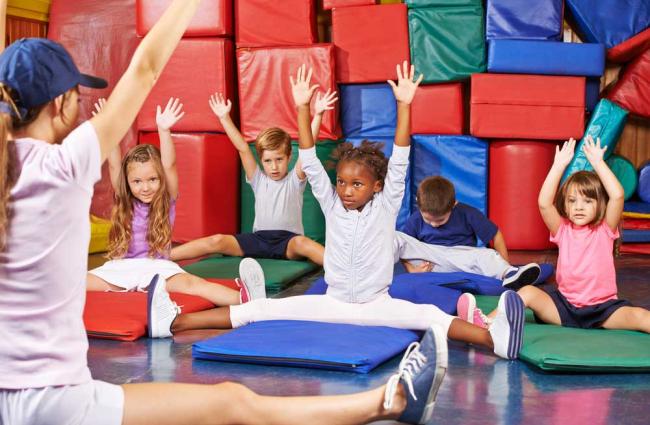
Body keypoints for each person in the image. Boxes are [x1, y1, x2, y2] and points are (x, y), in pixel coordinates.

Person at [0, 2, 450, 425]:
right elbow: (145, 67)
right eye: (75, 96)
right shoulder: (63, 166)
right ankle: (388, 400)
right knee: (233, 402)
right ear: (61, 104)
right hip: (54, 398)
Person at [161, 64, 526, 367]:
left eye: (357, 185)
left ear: (377, 187)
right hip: (331, 303)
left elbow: (399, 158)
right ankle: (175, 321)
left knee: (431, 317)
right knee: (258, 309)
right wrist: (302, 108)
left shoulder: (386, 207)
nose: (347, 190)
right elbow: (308, 159)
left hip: (377, 306)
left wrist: (404, 106)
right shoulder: (333, 205)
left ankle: (494, 339)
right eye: (342, 183)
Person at [86, 98, 265, 337]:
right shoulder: (124, 200)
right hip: (120, 269)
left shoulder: (165, 199)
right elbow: (115, 165)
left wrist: (164, 130)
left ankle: (249, 298)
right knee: (77, 285)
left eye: (152, 179)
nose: (145, 187)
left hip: (159, 268)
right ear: (128, 184)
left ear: (160, 180)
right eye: (137, 181)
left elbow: (169, 165)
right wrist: (110, 125)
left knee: (195, 285)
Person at [458, 137, 650, 333]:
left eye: (587, 201)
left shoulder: (605, 229)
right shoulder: (562, 229)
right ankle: (484, 324)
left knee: (641, 316)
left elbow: (617, 195)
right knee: (527, 293)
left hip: (603, 311)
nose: (578, 207)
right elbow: (544, 203)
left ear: (599, 204)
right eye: (572, 201)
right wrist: (558, 166)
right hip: (564, 309)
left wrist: (598, 163)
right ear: (565, 205)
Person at [169, 89, 338, 266]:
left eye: (279, 160)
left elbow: (307, 148)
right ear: (261, 160)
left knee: (304, 243)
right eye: (268, 161)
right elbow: (242, 147)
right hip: (258, 240)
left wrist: (318, 114)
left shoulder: (294, 180)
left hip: (288, 242)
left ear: (289, 157)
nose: (274, 166)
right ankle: (162, 257)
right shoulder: (258, 180)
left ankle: (341, 268)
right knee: (217, 241)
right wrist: (224, 118)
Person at [395, 176, 541, 290]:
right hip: (432, 261)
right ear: (418, 203)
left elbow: (495, 235)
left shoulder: (467, 213)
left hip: (462, 257)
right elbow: (406, 248)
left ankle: (509, 273)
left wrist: (505, 262)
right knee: (397, 237)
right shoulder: (415, 219)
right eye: (428, 219)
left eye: (440, 220)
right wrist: (412, 269)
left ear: (454, 205)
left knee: (488, 255)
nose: (434, 224)